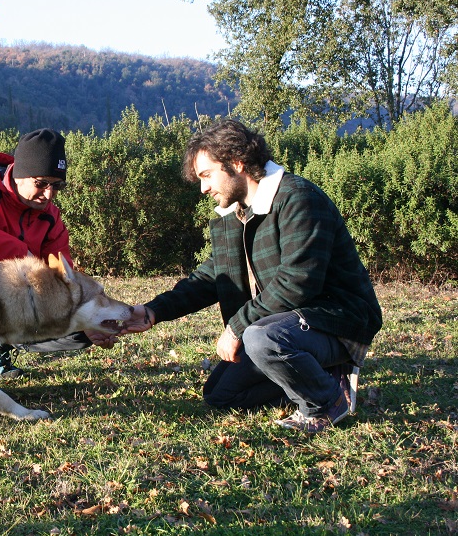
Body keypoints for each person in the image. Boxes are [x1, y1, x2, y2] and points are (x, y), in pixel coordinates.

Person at [120, 119, 382, 433]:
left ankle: (325, 403)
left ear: (237, 163)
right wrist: (153, 311)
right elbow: (212, 277)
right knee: (221, 394)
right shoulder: (235, 213)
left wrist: (237, 327)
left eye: (207, 175)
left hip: (335, 323)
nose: (203, 188)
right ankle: (321, 378)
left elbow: (298, 281)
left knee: (261, 339)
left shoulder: (299, 200)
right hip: (282, 328)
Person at [0, 128, 113, 379]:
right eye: (41, 183)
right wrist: (20, 252)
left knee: (82, 331)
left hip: (17, 301)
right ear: (19, 175)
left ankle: (3, 343)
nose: (49, 194)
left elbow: (63, 277)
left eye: (57, 185)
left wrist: (87, 319)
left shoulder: (50, 217)